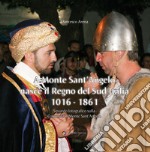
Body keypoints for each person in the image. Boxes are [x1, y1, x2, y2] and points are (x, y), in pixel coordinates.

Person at [0, 19, 74, 152]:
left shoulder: (28, 82)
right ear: (29, 55)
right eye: (49, 52)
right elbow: (15, 142)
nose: (55, 58)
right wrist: (54, 130)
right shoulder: (12, 91)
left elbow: (29, 125)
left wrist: (53, 120)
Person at [84, 11, 150, 151]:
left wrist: (95, 96)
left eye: (101, 52)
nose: (97, 59)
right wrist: (68, 130)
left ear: (119, 52)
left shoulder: (143, 86)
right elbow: (98, 132)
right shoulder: (116, 85)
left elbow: (114, 138)